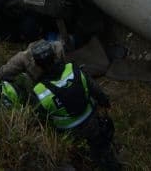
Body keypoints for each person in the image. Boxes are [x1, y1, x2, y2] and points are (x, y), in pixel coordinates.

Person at [30, 40, 120, 171]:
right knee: (102, 148)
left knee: (76, 158)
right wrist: (105, 102)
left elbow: (41, 119)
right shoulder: (73, 69)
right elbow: (95, 89)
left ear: (37, 64)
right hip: (90, 120)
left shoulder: (39, 90)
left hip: (67, 133)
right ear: (55, 56)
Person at [0, 38, 65, 83]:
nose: (48, 67)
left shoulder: (60, 49)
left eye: (50, 62)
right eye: (44, 65)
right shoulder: (22, 58)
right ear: (34, 61)